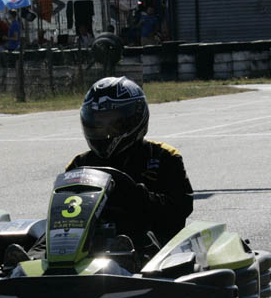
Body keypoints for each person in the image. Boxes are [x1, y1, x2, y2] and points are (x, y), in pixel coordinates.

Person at [66, 76, 193, 253]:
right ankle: (31, 260)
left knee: (136, 235)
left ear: (135, 119)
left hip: (148, 240)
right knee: (42, 235)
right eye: (98, 124)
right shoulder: (81, 164)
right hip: (89, 239)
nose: (104, 132)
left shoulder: (164, 157)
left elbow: (179, 211)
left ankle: (127, 255)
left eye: (112, 124)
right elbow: (64, 211)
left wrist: (134, 194)